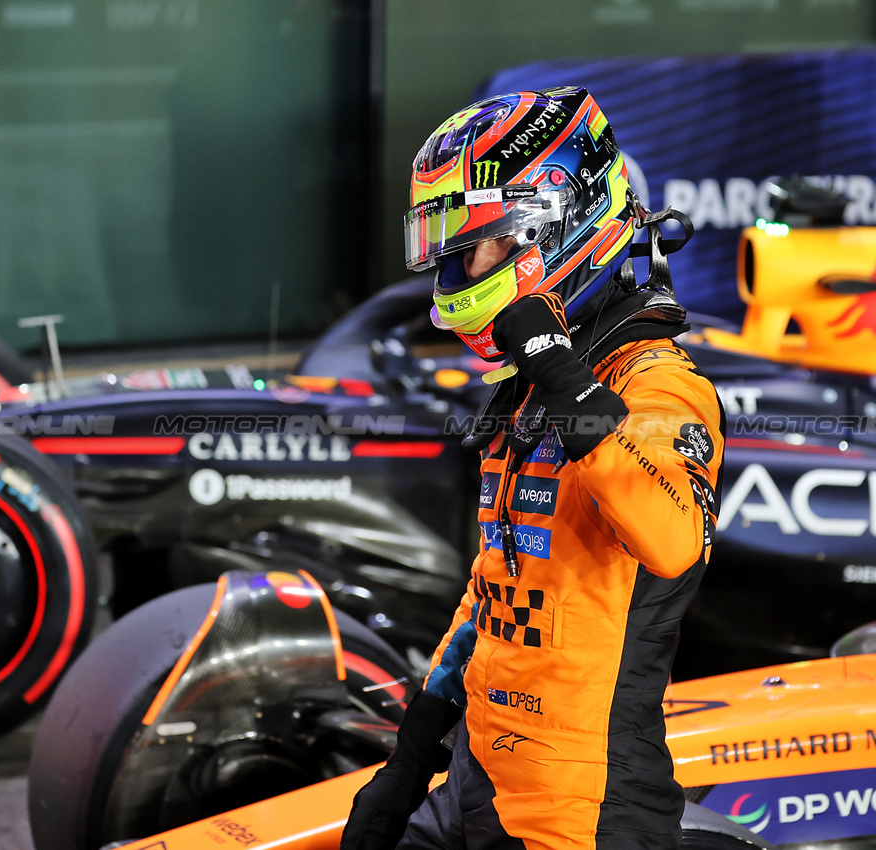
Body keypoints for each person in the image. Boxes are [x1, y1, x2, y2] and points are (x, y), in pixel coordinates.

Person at [342, 88, 723, 850]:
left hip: (583, 810)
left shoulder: (658, 382)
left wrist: (560, 375)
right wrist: (410, 760)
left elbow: (674, 537)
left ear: (549, 229)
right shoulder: (525, 391)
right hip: (478, 785)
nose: (458, 266)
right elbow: (495, 590)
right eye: (448, 247)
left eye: (474, 243)